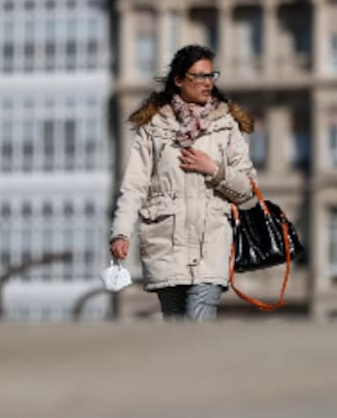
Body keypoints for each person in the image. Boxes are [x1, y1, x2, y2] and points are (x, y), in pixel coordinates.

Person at [109, 44, 257, 321]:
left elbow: (249, 190)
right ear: (178, 80)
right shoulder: (153, 127)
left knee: (199, 323)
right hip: (165, 246)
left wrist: (214, 170)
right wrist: (121, 233)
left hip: (211, 246)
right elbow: (134, 187)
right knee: (175, 328)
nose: (207, 82)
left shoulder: (226, 125)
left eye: (211, 75)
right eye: (199, 76)